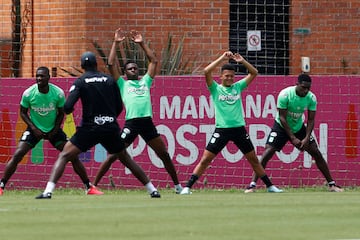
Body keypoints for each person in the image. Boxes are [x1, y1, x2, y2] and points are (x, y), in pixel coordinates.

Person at [36, 52, 161, 199]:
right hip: (110, 127)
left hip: (90, 128)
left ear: (82, 66)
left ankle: (48, 191)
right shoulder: (109, 80)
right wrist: (110, 117)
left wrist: (70, 110)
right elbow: (119, 106)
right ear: (96, 64)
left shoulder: (81, 81)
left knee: (64, 155)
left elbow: (68, 106)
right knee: (125, 158)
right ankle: (152, 190)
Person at [180, 51, 283, 195]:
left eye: (231, 76)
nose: (229, 78)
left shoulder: (237, 87)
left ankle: (270, 186)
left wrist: (242, 61)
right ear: (221, 76)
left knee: (253, 159)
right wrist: (222, 58)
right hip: (221, 130)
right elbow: (206, 71)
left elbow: (254, 73)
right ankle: (188, 187)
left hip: (239, 130)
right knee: (205, 159)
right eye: (226, 76)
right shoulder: (215, 88)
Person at [93, 28, 182, 194]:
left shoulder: (145, 82)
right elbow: (111, 64)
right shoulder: (123, 84)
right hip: (132, 123)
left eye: (135, 68)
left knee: (163, 154)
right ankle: (93, 186)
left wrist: (142, 44)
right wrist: (116, 43)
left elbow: (154, 61)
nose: (134, 70)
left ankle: (178, 187)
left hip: (147, 123)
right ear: (125, 73)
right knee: (114, 154)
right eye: (130, 69)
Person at [244, 74, 344, 193]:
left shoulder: (311, 98)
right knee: (267, 152)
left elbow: (311, 120)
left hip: (299, 127)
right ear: (297, 84)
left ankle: (332, 185)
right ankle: (252, 185)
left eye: (308, 88)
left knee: (316, 152)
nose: (305, 90)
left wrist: (306, 138)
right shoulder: (285, 95)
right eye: (303, 87)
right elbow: (282, 117)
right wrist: (293, 138)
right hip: (281, 127)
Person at [0, 66, 74, 196]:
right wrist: (34, 128)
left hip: (53, 130)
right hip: (34, 129)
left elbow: (61, 113)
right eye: (37, 76)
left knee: (71, 153)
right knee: (18, 153)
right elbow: (23, 112)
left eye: (42, 76)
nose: (39, 78)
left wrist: (55, 129)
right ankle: (1, 186)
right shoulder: (29, 93)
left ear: (48, 78)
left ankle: (88, 186)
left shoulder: (58, 93)